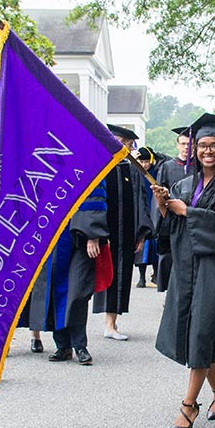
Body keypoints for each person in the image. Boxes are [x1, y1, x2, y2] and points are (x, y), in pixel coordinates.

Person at [151, 113, 215, 428]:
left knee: (202, 332)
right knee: (197, 334)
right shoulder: (183, 184)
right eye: (202, 145)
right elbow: (171, 229)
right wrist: (164, 206)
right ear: (194, 149)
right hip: (187, 266)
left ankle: (188, 405)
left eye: (214, 145)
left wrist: (187, 211)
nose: (208, 151)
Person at [22, 181, 110, 366]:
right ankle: (62, 345)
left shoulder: (89, 159)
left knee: (78, 291)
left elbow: (95, 196)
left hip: (81, 236)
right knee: (55, 288)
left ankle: (80, 346)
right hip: (52, 234)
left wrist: (92, 234)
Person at [93, 125, 153, 341]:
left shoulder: (131, 169)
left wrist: (141, 234)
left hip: (125, 233)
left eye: (126, 144)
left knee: (121, 277)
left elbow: (140, 202)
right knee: (98, 276)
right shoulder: (97, 166)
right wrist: (94, 232)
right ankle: (88, 326)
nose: (123, 147)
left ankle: (112, 323)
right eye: (120, 142)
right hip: (102, 234)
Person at [153, 127, 194, 292]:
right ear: (177, 145)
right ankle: (171, 293)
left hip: (192, 219)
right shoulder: (167, 167)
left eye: (190, 144)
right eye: (183, 143)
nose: (186, 147)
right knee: (170, 259)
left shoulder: (200, 168)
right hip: (171, 221)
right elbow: (158, 197)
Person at [135, 146, 159, 288]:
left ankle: (156, 274)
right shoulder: (136, 174)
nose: (144, 165)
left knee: (155, 246)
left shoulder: (156, 173)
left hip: (154, 211)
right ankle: (142, 277)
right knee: (141, 248)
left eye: (146, 161)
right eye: (141, 162)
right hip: (142, 211)